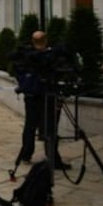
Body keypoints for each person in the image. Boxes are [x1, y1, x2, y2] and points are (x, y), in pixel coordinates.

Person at [11, 31, 71, 170]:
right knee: (48, 128)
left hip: (36, 96)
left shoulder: (29, 56)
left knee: (31, 127)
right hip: (42, 96)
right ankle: (51, 158)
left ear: (33, 41)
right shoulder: (43, 57)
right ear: (46, 41)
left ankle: (26, 155)